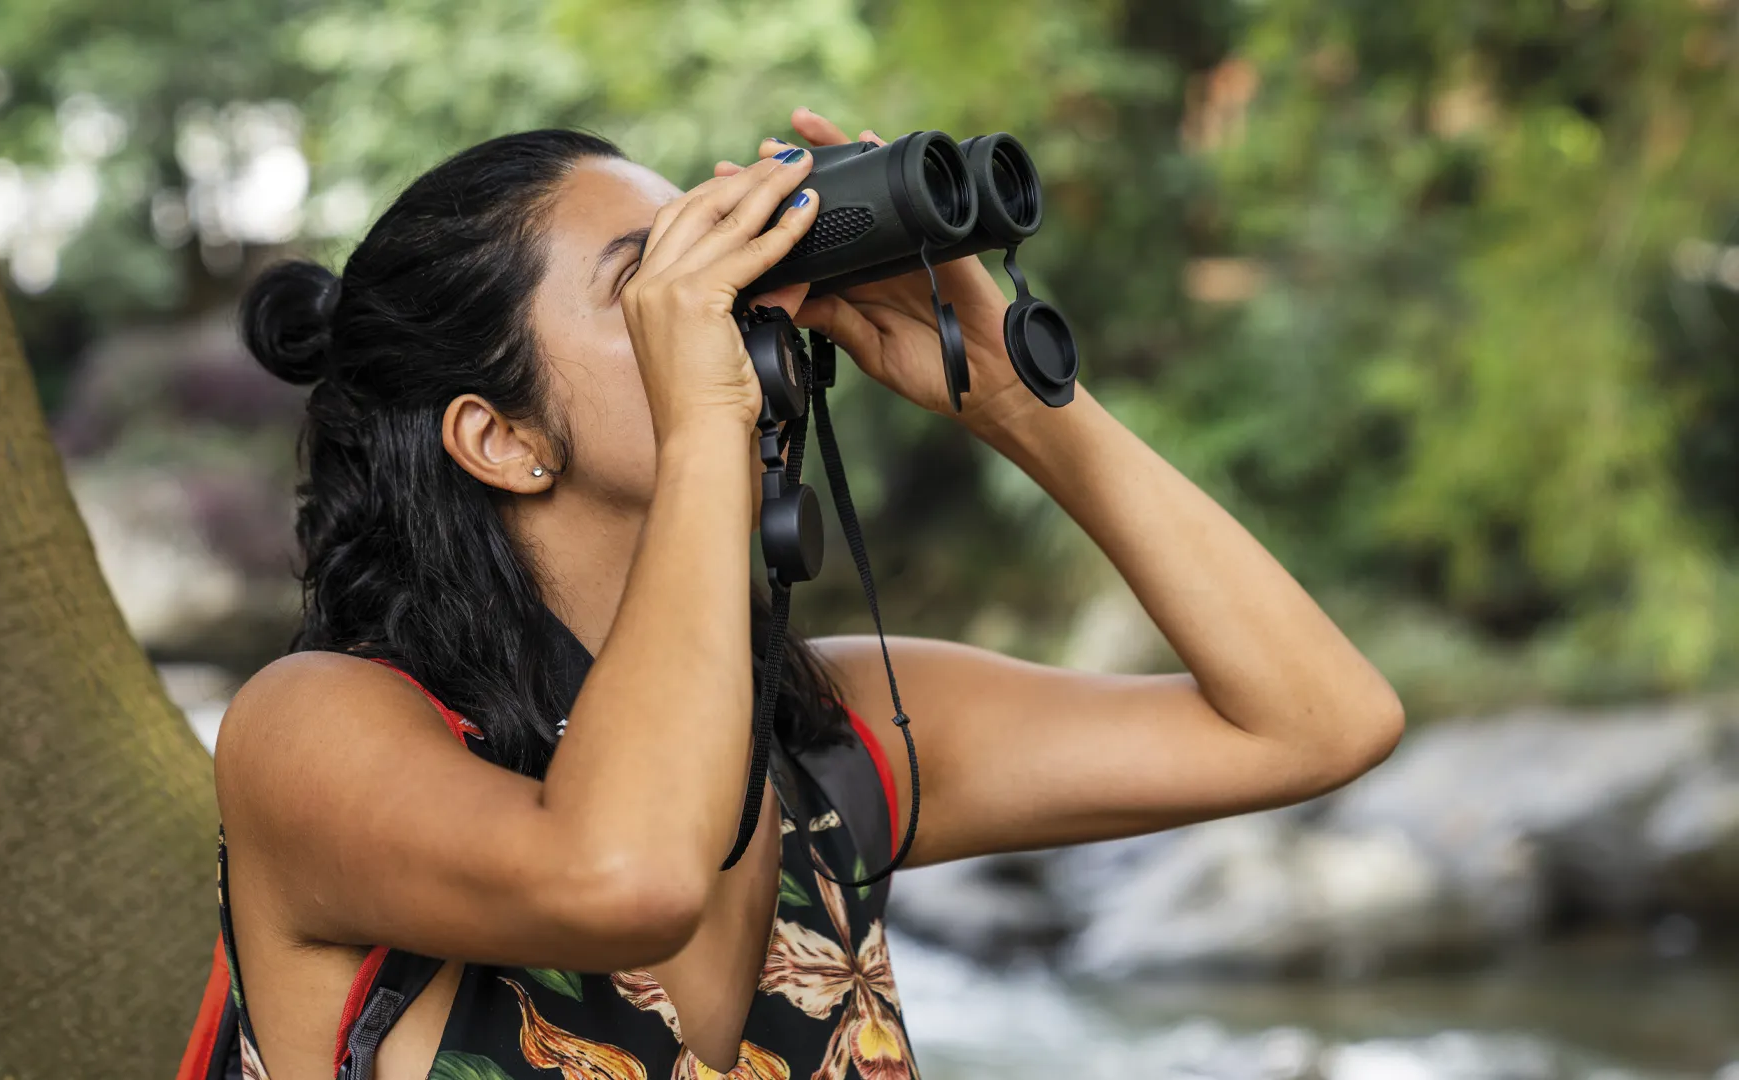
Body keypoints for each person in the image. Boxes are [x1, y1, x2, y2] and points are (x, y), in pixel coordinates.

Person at [205, 107, 1405, 1080]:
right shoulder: (315, 730)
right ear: (499, 435)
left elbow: (1316, 721)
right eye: (651, 283)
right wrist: (709, 429)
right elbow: (626, 875)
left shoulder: (833, 743)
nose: (718, 306)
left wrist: (1012, 399)